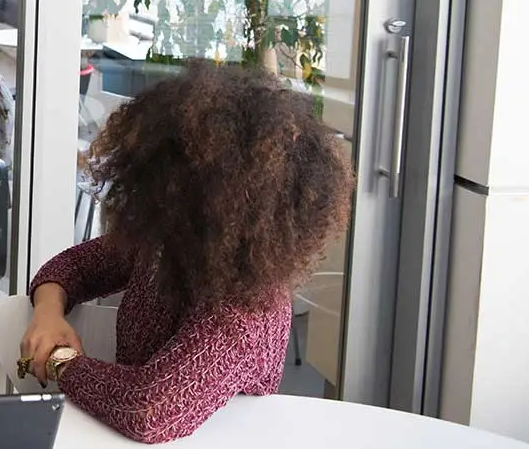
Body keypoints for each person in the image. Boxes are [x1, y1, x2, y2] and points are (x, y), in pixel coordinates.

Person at [20, 61, 353, 443]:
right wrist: (47, 316)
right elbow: (72, 266)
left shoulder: (248, 310)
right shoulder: (169, 245)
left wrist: (60, 361)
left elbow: (148, 410)